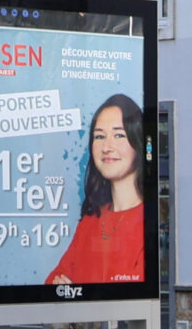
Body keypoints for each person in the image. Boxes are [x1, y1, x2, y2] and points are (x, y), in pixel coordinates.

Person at [46, 94, 147, 286]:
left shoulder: (146, 220)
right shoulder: (90, 221)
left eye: (119, 135)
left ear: (137, 141)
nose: (107, 147)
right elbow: (53, 282)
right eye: (99, 136)